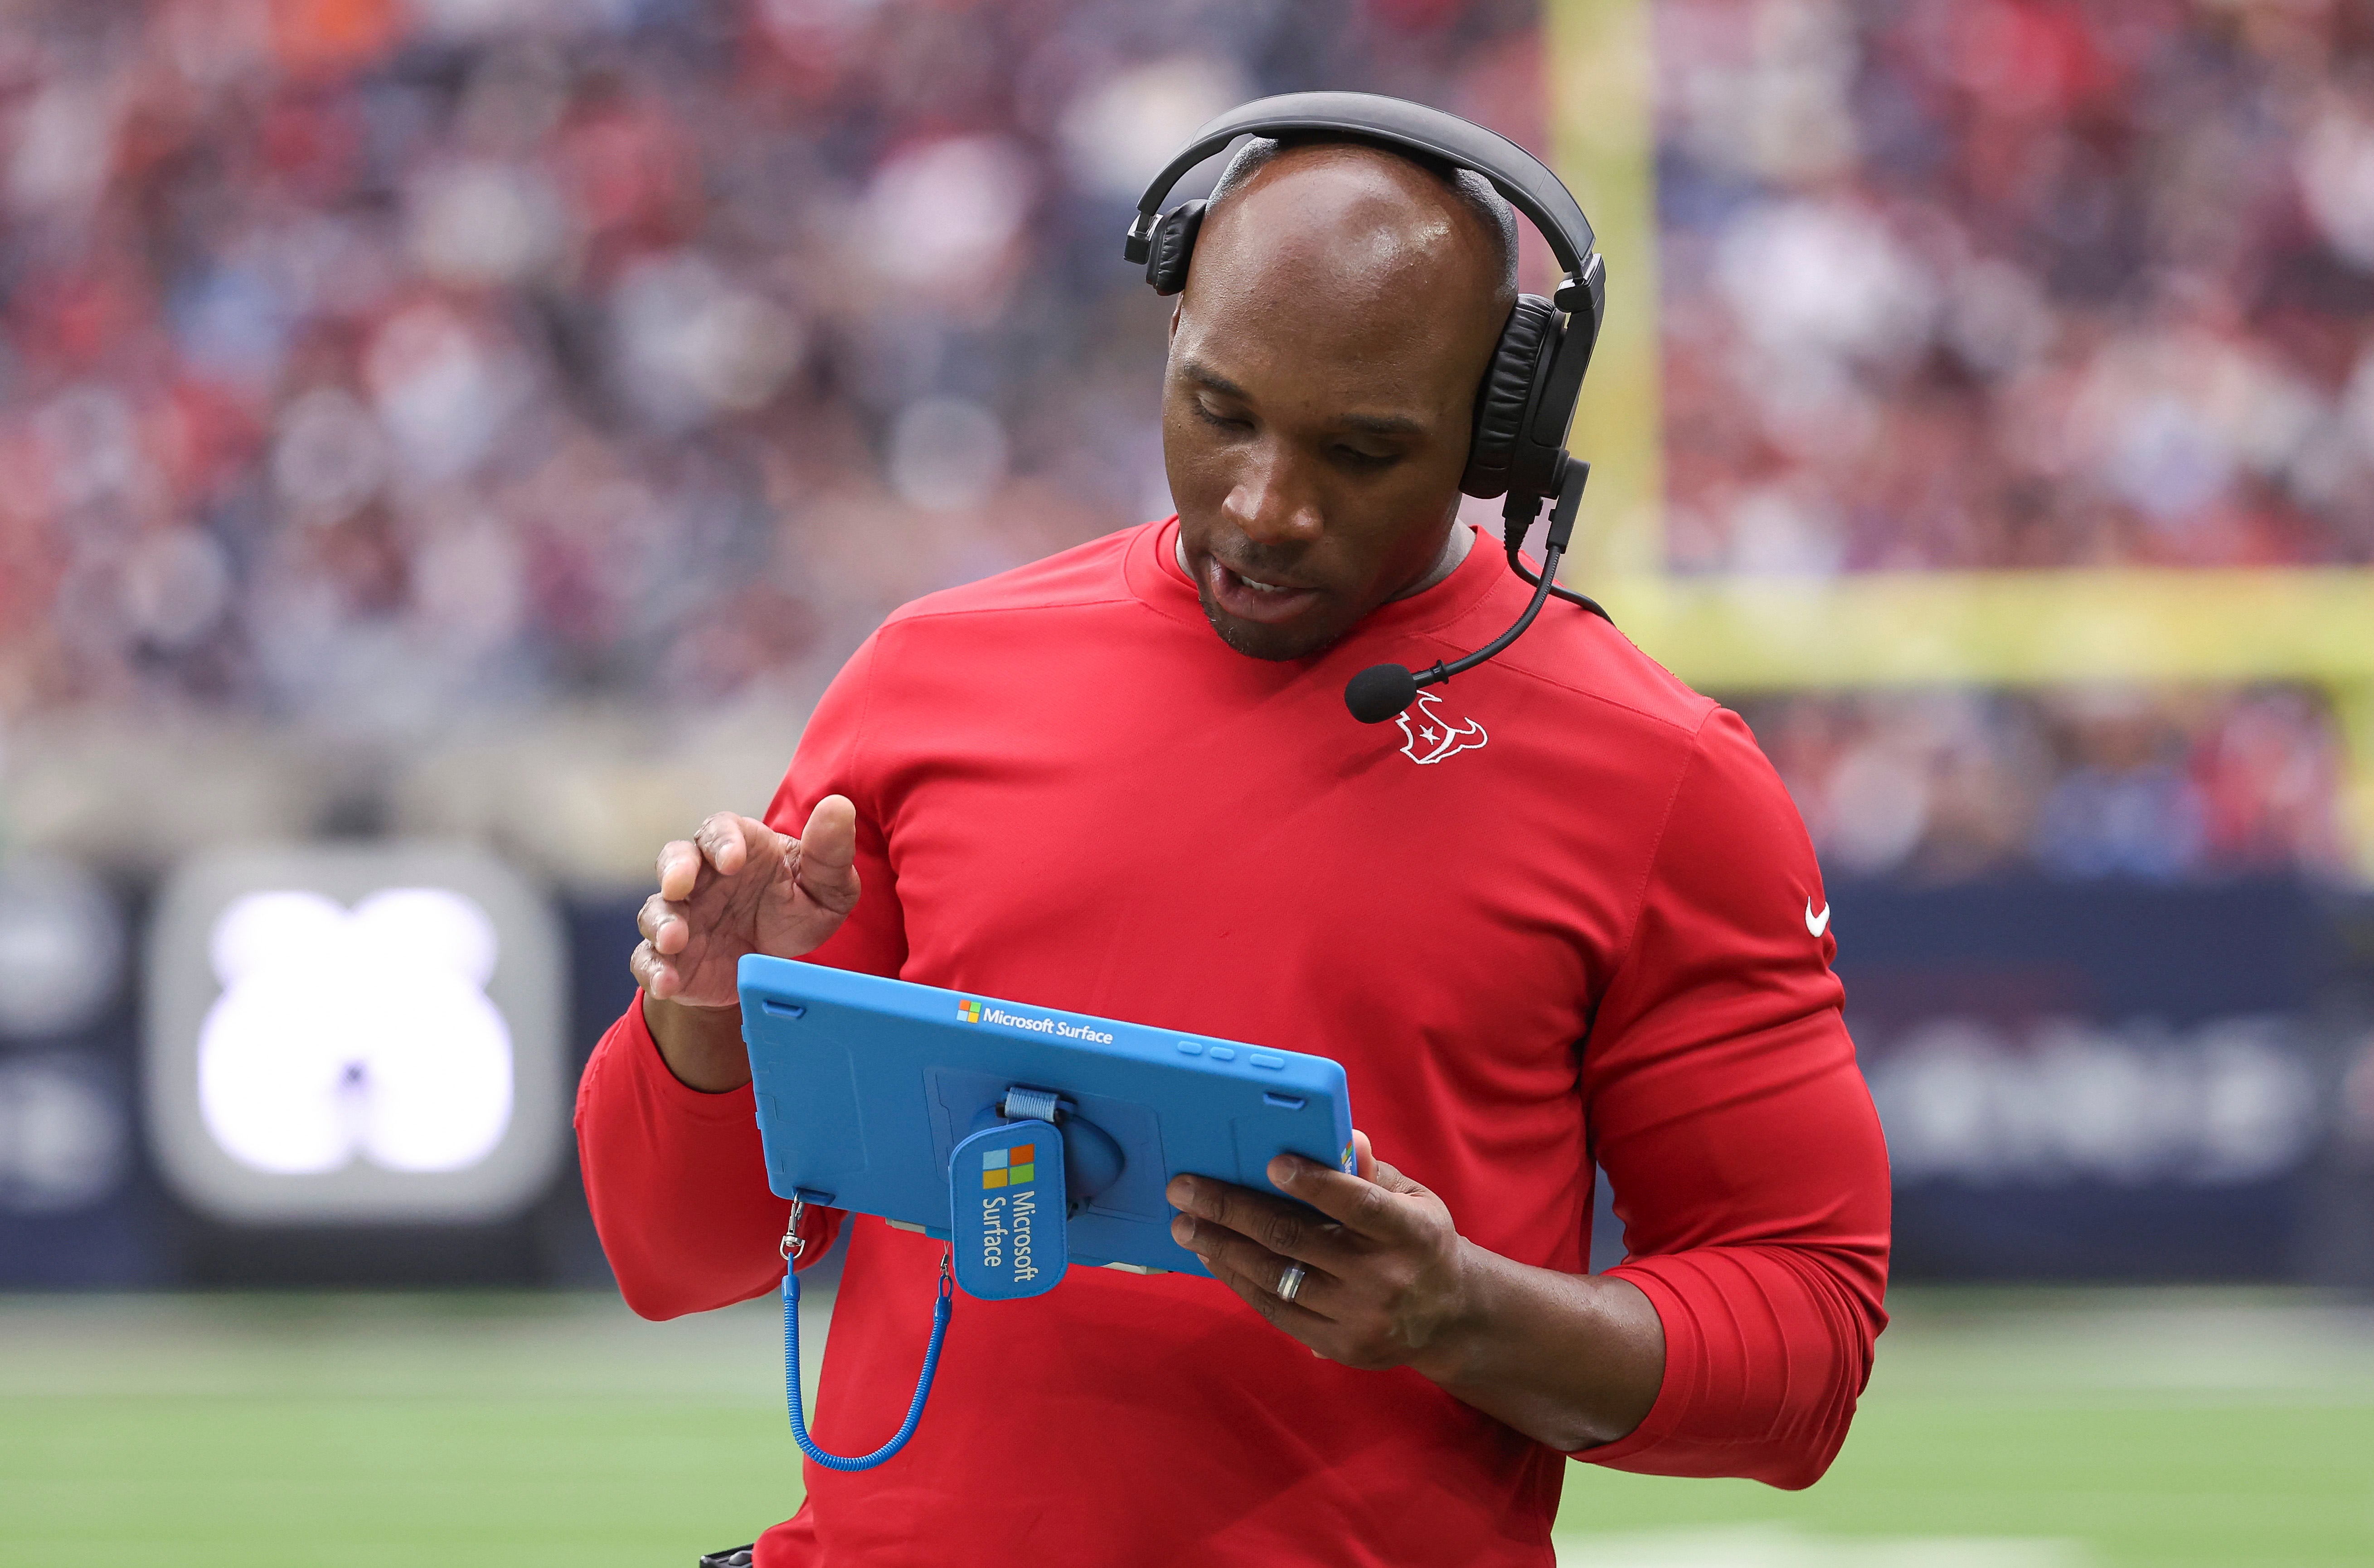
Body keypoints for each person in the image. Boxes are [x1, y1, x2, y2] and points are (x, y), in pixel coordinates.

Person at [577, 131, 1890, 1568]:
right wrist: (702, 1022)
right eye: (1220, 411)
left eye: (1363, 449)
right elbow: (677, 1257)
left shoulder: (1663, 774)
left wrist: (1465, 1311)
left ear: (1499, 434)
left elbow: (1806, 1348)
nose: (1267, 506)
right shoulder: (931, 674)